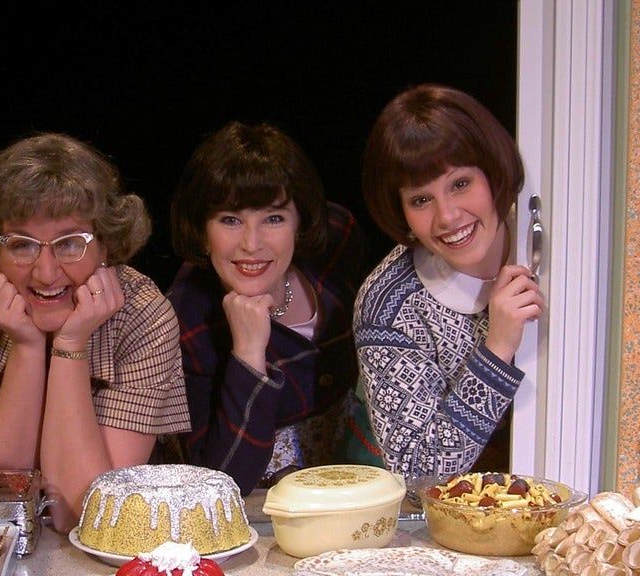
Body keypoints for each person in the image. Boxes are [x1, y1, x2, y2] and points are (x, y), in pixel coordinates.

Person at [0, 133, 190, 531]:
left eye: (70, 244)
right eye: (22, 245)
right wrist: (26, 349)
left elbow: (87, 513)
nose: (45, 272)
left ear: (106, 247)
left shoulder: (144, 315)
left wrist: (70, 345)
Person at [166, 121, 371, 495]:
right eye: (230, 220)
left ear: (299, 222)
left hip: (359, 481)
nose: (251, 243)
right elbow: (220, 484)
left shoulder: (335, 242)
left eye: (273, 218)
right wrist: (248, 355)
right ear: (202, 230)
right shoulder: (184, 320)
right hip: (260, 511)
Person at [353, 83, 544, 480]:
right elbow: (416, 472)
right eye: (421, 200)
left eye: (460, 184)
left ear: (492, 173)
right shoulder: (388, 305)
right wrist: (497, 349)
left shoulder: (554, 244)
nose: (447, 217)